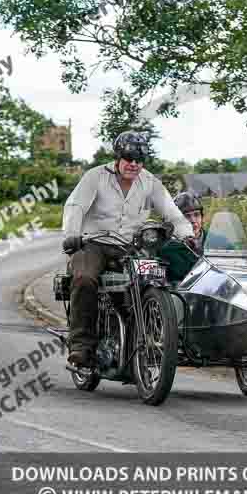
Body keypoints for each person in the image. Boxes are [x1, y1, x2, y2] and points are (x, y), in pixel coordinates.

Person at [61, 130, 196, 368]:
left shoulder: (149, 182)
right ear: (118, 158)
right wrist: (72, 235)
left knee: (153, 280)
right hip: (94, 244)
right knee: (84, 279)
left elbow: (171, 212)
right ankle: (81, 346)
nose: (133, 164)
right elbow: (75, 206)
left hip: (130, 247)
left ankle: (146, 338)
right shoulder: (96, 177)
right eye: (128, 158)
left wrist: (187, 235)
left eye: (139, 159)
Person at [161, 191, 247, 283]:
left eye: (196, 215)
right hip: (180, 299)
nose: (193, 220)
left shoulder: (217, 241)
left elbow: (239, 259)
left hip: (215, 296)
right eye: (186, 216)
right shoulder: (166, 246)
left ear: (203, 218)